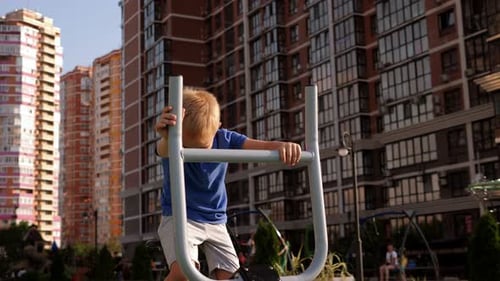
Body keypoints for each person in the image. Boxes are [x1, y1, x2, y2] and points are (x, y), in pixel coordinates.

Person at [155, 88, 302, 281]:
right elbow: (163, 149)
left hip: (216, 219)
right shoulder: (173, 142)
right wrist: (168, 137)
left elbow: (262, 146)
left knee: (231, 276)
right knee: (184, 272)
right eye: (189, 148)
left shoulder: (225, 138)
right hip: (180, 216)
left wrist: (282, 146)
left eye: (202, 147)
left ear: (217, 128)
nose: (196, 153)